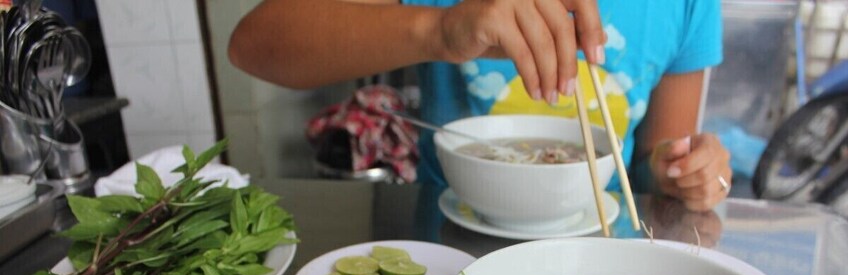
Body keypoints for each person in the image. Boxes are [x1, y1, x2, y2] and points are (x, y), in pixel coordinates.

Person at [228, 0, 732, 212]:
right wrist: (438, 30)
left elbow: (648, 166)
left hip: (601, 255)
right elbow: (254, 44)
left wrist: (682, 171)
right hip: (448, 243)